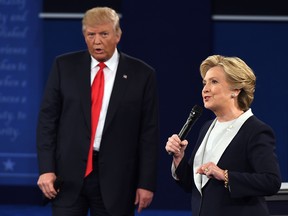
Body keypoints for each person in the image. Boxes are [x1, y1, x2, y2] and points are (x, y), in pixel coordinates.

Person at [36, 7, 159, 216]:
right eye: (91, 35)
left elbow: (148, 134)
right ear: (84, 36)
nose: (97, 41)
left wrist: (146, 183)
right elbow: (47, 122)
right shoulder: (64, 66)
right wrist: (47, 169)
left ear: (118, 35)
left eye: (104, 34)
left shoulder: (142, 75)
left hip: (117, 180)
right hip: (68, 178)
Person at [165, 55, 281, 216]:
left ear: (235, 90)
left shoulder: (256, 130)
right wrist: (179, 158)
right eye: (204, 83)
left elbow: (271, 182)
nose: (205, 89)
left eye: (214, 82)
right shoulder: (207, 128)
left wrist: (224, 175)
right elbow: (192, 184)